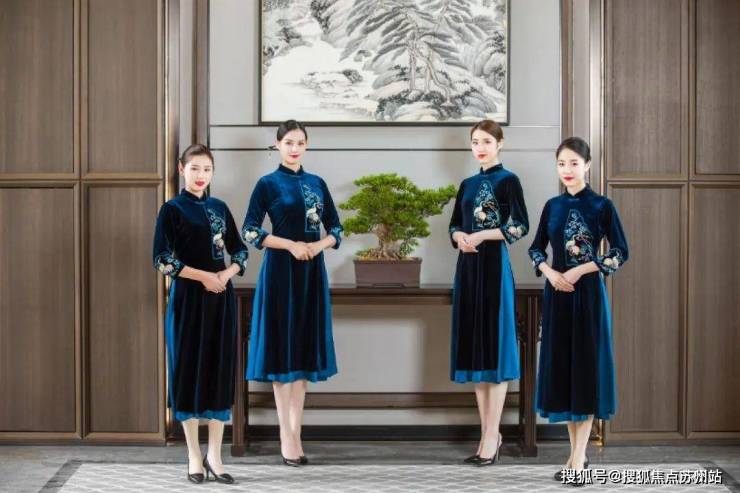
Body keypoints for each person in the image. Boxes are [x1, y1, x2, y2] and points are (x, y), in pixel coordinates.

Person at [528, 137, 629, 486]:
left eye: (573, 163)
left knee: (584, 372)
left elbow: (620, 251)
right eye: (561, 164)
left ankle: (576, 460)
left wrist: (581, 270)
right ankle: (577, 457)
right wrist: (550, 272)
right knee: (565, 372)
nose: (567, 170)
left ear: (587, 165)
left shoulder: (602, 206)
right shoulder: (552, 206)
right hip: (557, 296)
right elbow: (536, 249)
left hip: (587, 297)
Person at [243, 120, 343, 467]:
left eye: (300, 142)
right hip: (280, 273)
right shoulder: (267, 184)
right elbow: (250, 231)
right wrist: (290, 245)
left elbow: (336, 229)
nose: (295, 148)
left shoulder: (317, 183)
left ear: (306, 145)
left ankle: (294, 431)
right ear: (277, 145)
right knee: (281, 351)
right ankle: (286, 434)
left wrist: (317, 247)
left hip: (311, 273)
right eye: (288, 142)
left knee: (301, 352)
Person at [152, 144, 248, 484]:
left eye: (207, 169)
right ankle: (194, 454)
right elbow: (162, 259)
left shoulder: (220, 208)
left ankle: (215, 456)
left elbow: (240, 251)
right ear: (182, 169)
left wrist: (225, 274)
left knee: (219, 371)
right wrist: (203, 276)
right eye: (194, 168)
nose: (201, 175)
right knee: (187, 371)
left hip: (220, 301)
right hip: (187, 302)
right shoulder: (171, 210)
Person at [448, 119, 529, 466]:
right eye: (475, 142)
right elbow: (454, 224)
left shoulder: (509, 181)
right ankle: (487, 434)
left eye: (486, 141)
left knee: (494, 349)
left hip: (495, 269)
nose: (480, 147)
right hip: (468, 270)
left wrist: (481, 235)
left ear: (500, 143)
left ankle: (491, 435)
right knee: (476, 352)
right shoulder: (467, 185)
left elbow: (520, 226)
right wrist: (459, 237)